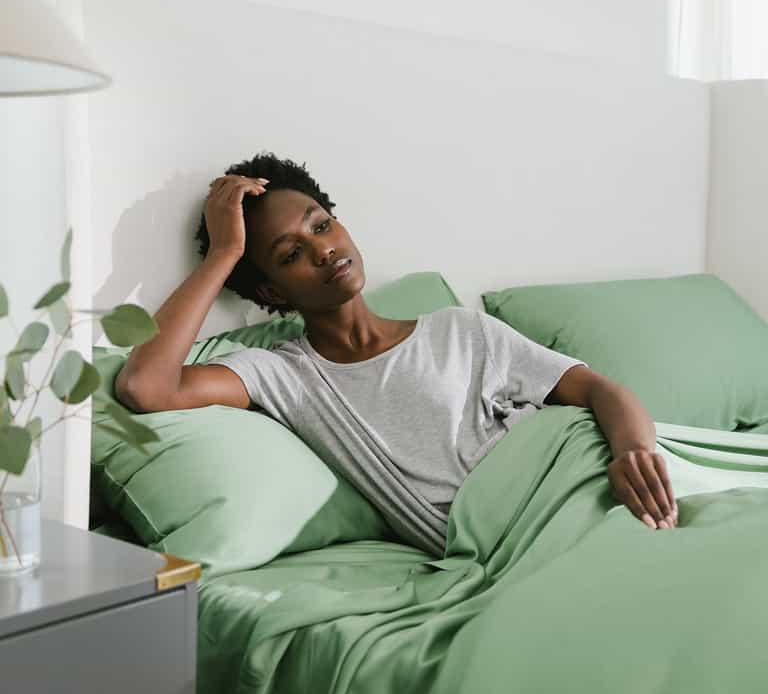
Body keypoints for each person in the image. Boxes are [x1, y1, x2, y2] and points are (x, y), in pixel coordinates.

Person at [115, 151, 678, 557]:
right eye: (292, 254)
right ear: (271, 291)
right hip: (517, 532)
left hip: (598, 471)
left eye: (322, 225)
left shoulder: (459, 330)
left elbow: (599, 390)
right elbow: (147, 386)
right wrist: (224, 252)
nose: (323, 249)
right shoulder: (285, 375)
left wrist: (633, 451)